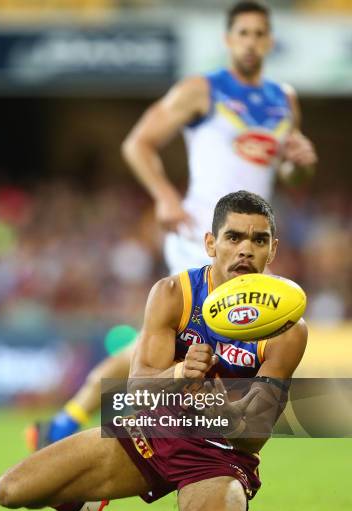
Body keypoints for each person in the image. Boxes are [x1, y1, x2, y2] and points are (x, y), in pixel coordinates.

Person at [26, 0, 316, 449]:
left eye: (260, 33)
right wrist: (163, 195)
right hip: (198, 235)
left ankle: (79, 419)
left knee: (173, 342)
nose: (252, 42)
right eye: (243, 33)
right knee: (178, 338)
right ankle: (120, 429)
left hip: (248, 245)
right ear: (228, 40)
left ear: (270, 41)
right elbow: (138, 143)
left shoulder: (285, 101)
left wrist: (301, 165)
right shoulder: (201, 89)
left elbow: (288, 175)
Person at [0, 190, 308, 511]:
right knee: (12, 491)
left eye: (258, 240)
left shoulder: (287, 327)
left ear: (272, 250)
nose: (245, 249)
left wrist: (217, 402)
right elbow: (135, 393)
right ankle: (76, 510)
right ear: (211, 243)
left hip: (219, 458)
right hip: (154, 432)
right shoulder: (175, 294)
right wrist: (179, 373)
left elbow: (254, 438)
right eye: (233, 237)